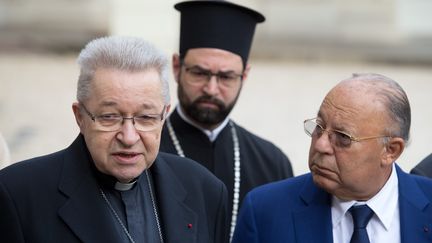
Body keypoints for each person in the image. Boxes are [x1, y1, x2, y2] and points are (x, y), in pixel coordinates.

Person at [0, 36, 229, 243]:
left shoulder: (204, 190)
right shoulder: (18, 195)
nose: (129, 137)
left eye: (146, 117)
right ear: (80, 117)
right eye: (109, 117)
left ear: (164, 115)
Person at [232, 73, 432, 243]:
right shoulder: (265, 211)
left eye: (343, 138)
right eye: (319, 127)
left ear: (391, 150)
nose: (320, 145)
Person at [159, 1, 294, 239]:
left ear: (245, 75)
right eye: (200, 73)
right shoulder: (143, 151)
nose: (211, 89)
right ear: (177, 67)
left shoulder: (272, 163)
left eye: (226, 77)